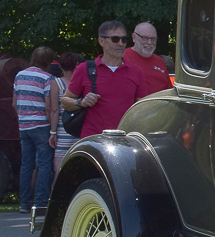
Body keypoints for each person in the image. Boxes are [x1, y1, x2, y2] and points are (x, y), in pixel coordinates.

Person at [61, 21, 150, 138]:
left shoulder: (136, 71)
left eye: (124, 39)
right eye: (115, 39)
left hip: (125, 140)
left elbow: (141, 109)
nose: (121, 43)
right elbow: (65, 101)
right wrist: (81, 102)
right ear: (101, 41)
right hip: (93, 140)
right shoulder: (84, 69)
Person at [12, 46, 60, 213]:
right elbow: (49, 107)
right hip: (41, 126)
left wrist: (23, 118)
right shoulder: (48, 78)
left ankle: (24, 203)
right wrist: (52, 128)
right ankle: (40, 202)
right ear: (48, 61)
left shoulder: (20, 76)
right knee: (45, 164)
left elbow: (14, 103)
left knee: (26, 165)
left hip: (23, 126)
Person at [52, 52, 84, 173]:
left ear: (60, 66)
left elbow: (54, 109)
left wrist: (53, 132)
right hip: (78, 128)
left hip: (62, 129)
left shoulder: (57, 83)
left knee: (59, 168)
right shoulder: (82, 83)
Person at [123, 22, 172, 93]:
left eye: (153, 39)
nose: (149, 42)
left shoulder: (159, 61)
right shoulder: (122, 58)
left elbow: (169, 91)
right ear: (134, 37)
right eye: (145, 38)